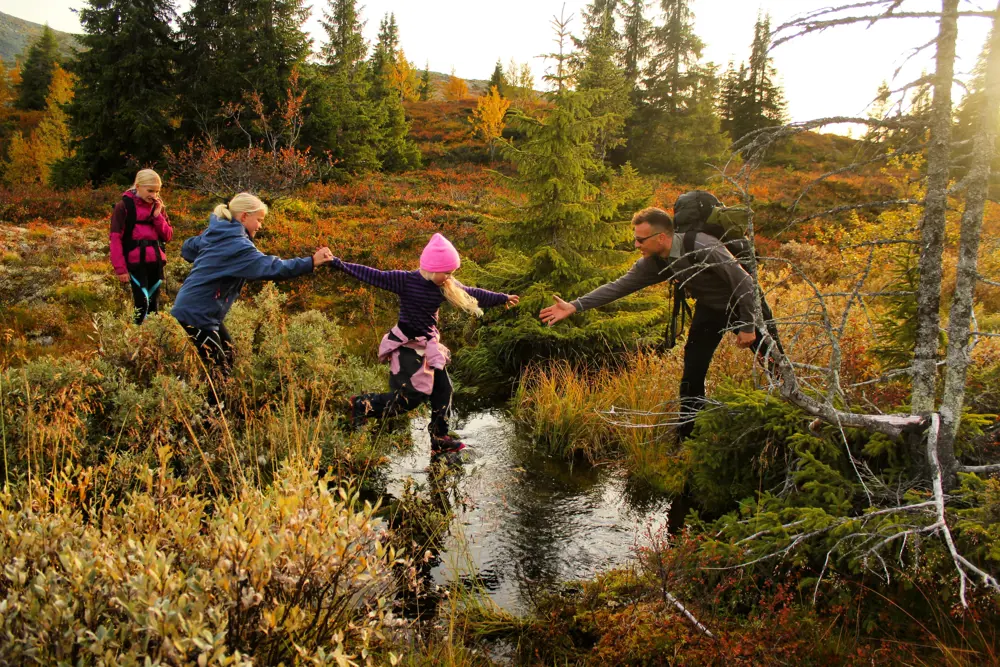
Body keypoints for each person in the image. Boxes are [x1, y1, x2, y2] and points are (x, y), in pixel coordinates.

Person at [539, 206, 775, 441]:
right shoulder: (654, 262)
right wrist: (574, 305)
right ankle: (688, 436)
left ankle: (787, 419)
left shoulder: (701, 245)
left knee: (774, 361)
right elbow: (618, 287)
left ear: (660, 237)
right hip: (710, 309)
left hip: (746, 304)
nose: (636, 245)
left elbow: (744, 283)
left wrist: (746, 326)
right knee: (693, 370)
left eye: (640, 240)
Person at [331, 233, 519, 454]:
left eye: (452, 273)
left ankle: (439, 438)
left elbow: (473, 294)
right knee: (409, 399)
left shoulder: (445, 285)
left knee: (444, 389)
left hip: (429, 346)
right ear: (431, 268)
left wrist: (502, 298)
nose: (449, 277)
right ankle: (362, 405)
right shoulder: (405, 281)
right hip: (407, 347)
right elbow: (372, 275)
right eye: (446, 272)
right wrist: (338, 264)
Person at [171, 192, 334, 390]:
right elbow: (274, 268)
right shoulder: (236, 245)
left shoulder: (217, 232)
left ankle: (201, 398)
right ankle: (209, 414)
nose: (260, 226)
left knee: (229, 356)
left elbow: (188, 248)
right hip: (197, 313)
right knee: (218, 370)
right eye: (259, 220)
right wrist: (311, 262)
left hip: (198, 309)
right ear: (244, 216)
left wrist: (209, 261)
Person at [109, 169, 173, 324]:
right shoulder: (124, 206)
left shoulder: (158, 207)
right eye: (150, 190)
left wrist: (158, 217)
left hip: (156, 263)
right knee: (141, 305)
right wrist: (120, 269)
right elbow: (115, 239)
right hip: (136, 264)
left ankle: (152, 341)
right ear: (138, 186)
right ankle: (137, 340)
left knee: (154, 306)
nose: (154, 195)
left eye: (157, 191)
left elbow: (167, 236)